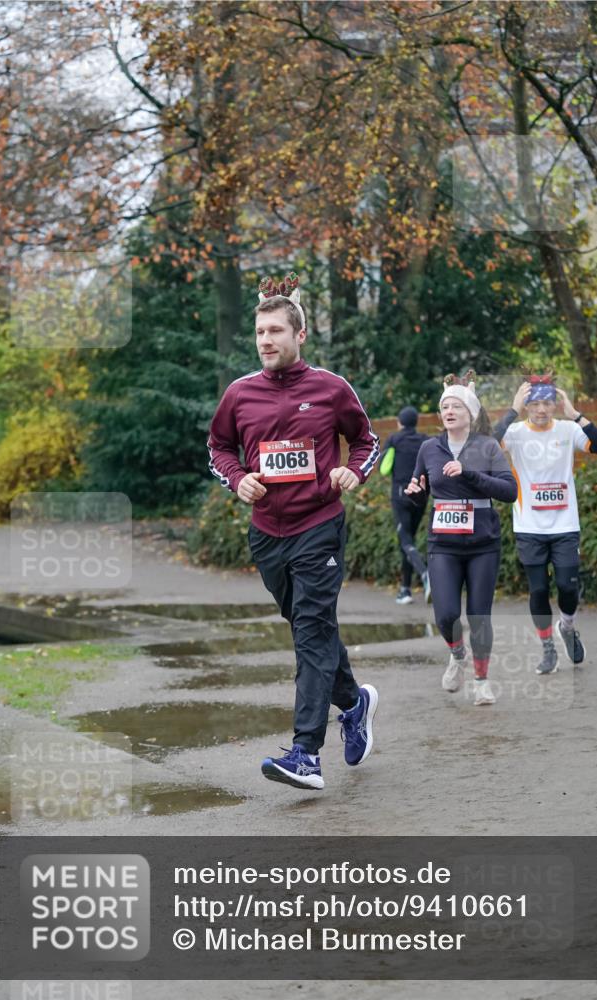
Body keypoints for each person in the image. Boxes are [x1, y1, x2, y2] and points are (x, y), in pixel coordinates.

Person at [207, 273, 380, 791]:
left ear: (299, 335)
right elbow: (218, 448)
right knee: (311, 629)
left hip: (318, 526)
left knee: (310, 630)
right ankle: (354, 702)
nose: (266, 341)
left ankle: (305, 752)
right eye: (260, 332)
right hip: (267, 534)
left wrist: (354, 471)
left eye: (276, 331)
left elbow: (366, 441)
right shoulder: (239, 394)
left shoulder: (330, 389)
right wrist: (238, 480)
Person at [405, 372, 518, 705]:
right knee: (445, 615)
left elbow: (509, 491)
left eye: (456, 406)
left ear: (470, 413)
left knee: (479, 615)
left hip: (483, 543)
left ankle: (481, 681)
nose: (449, 411)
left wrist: (468, 472)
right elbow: (418, 492)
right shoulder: (429, 448)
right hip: (443, 544)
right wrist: (413, 493)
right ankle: (457, 654)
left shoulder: (486, 446)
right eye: (444, 407)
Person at [494, 370, 597, 673]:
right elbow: (483, 445)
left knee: (567, 586)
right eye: (534, 404)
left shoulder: (567, 430)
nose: (542, 409)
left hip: (565, 526)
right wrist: (512, 411)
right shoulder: (516, 433)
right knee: (538, 591)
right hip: (529, 527)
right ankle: (548, 649)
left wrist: (576, 415)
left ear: (555, 404)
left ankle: (568, 626)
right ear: (527, 405)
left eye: (547, 403)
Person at [379, 406, 431, 604]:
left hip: (401, 495)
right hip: (421, 495)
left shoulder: (394, 439)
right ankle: (405, 590)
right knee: (408, 542)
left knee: (406, 541)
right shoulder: (425, 440)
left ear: (399, 422)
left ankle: (426, 575)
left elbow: (384, 468)